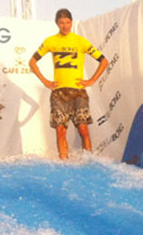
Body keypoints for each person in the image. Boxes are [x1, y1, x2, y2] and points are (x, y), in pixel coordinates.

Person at [29, 8, 109, 159]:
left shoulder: (80, 41)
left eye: (67, 22)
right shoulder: (50, 41)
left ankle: (88, 161)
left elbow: (104, 61)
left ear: (71, 22)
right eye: (61, 23)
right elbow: (32, 62)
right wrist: (45, 81)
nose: (65, 26)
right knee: (60, 130)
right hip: (59, 93)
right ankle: (63, 162)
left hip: (78, 92)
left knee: (83, 129)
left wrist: (91, 80)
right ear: (56, 23)